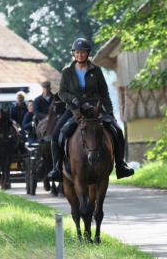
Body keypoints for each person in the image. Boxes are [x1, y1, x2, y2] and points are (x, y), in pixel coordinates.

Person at [47, 37, 135, 181]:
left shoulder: (97, 70)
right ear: (73, 54)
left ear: (88, 54)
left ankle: (120, 165)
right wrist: (73, 100)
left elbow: (104, 93)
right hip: (74, 110)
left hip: (96, 109)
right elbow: (62, 93)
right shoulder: (67, 72)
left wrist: (110, 113)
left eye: (82, 52)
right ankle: (56, 168)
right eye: (77, 52)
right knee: (56, 136)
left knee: (117, 131)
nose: (80, 55)